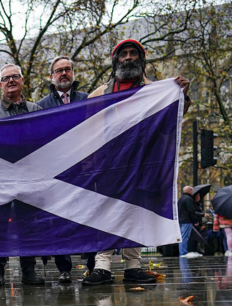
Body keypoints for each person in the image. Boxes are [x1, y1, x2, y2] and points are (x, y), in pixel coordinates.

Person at [82, 39, 191, 285]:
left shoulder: (156, 90)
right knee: (106, 214)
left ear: (141, 60)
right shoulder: (99, 94)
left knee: (137, 214)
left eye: (133, 54)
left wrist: (181, 96)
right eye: (124, 54)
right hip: (109, 165)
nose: (128, 58)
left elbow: (170, 124)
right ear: (116, 60)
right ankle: (102, 267)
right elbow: (87, 134)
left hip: (143, 165)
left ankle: (133, 266)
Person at [0, 64, 45, 286]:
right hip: (0, 179)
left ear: (22, 81)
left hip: (29, 177)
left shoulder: (36, 110)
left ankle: (29, 270)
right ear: (0, 84)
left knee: (29, 224)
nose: (10, 81)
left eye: (15, 77)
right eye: (6, 78)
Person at [37, 56, 93, 282]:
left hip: (85, 171)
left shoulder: (88, 100)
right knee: (59, 220)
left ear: (73, 73)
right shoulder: (41, 105)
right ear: (52, 76)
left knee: (89, 218)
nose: (63, 74)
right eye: (59, 71)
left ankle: (93, 265)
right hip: (56, 173)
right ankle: (64, 269)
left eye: (67, 69)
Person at [178, 186, 203, 258]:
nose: (193, 192)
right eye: (192, 190)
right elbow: (191, 211)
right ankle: (183, 252)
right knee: (185, 236)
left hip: (181, 220)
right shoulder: (189, 199)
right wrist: (195, 220)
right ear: (189, 190)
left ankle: (182, 252)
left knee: (182, 236)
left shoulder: (181, 199)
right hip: (187, 220)